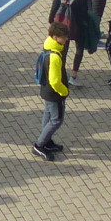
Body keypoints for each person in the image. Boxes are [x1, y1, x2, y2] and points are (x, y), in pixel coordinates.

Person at [33, 20, 72, 160]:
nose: (66, 39)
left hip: (46, 91)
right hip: (55, 94)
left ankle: (47, 141)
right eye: (64, 37)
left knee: (48, 115)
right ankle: (39, 145)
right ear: (56, 37)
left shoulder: (47, 46)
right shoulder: (55, 57)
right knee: (56, 120)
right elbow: (55, 81)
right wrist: (64, 92)